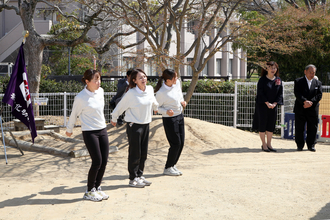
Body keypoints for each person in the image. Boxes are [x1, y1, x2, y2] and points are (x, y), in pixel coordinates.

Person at [66, 69, 109, 202]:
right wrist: (69, 128)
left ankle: (97, 187)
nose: (98, 82)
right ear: (87, 81)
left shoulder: (100, 92)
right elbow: (74, 114)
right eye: (95, 80)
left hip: (102, 129)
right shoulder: (80, 97)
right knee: (97, 161)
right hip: (90, 132)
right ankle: (89, 191)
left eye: (99, 79)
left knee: (104, 161)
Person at [110, 69, 158, 188]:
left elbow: (153, 100)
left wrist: (156, 107)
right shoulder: (131, 93)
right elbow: (120, 106)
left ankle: (140, 175)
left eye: (144, 76)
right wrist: (114, 118)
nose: (144, 79)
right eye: (140, 78)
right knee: (135, 153)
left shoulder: (150, 89)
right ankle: (133, 178)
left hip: (146, 123)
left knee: (144, 153)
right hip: (134, 125)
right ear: (134, 81)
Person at [155, 69, 187, 176]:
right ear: (168, 80)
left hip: (179, 116)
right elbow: (155, 108)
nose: (176, 79)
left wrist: (182, 101)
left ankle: (173, 165)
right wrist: (166, 111)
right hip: (170, 119)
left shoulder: (176, 83)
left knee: (181, 143)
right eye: (174, 77)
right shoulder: (161, 93)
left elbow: (179, 93)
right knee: (175, 143)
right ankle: (167, 167)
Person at [253, 61, 283, 152]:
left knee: (271, 125)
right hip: (262, 106)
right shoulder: (262, 80)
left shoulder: (278, 80)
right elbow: (260, 93)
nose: (273, 69)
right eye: (270, 67)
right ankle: (264, 144)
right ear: (266, 69)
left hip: (273, 106)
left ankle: (269, 144)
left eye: (274, 68)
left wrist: (274, 103)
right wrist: (267, 103)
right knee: (262, 124)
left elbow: (280, 94)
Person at [294, 64, 322, 152]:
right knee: (299, 127)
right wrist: (304, 101)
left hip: (313, 109)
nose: (312, 74)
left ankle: (311, 145)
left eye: (313, 73)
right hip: (301, 107)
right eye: (310, 72)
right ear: (305, 72)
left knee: (312, 127)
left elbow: (319, 95)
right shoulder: (298, 81)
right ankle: (300, 145)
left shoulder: (318, 83)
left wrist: (311, 102)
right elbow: (297, 93)